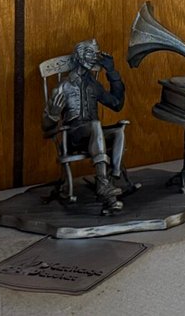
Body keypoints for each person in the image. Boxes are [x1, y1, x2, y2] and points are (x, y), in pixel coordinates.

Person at [44, 39, 134, 212]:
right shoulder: (64, 86)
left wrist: (112, 72)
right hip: (73, 136)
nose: (94, 57)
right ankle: (103, 184)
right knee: (95, 125)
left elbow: (116, 104)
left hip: (94, 135)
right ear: (79, 56)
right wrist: (53, 115)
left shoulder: (93, 85)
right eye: (90, 53)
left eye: (96, 53)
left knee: (119, 131)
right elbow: (46, 128)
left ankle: (111, 180)